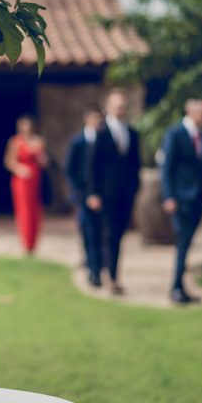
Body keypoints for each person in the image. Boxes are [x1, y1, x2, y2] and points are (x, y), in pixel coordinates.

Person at [86, 90, 141, 294]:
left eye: (123, 107)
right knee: (106, 233)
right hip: (104, 194)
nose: (120, 110)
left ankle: (113, 274)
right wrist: (92, 193)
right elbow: (93, 166)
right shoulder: (100, 133)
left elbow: (135, 163)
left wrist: (135, 189)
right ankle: (100, 272)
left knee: (118, 234)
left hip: (125, 194)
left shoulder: (132, 134)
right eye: (117, 106)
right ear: (109, 107)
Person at [160, 99, 202, 304]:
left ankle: (180, 286)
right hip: (181, 199)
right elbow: (167, 167)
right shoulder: (175, 134)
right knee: (182, 242)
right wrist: (169, 196)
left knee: (187, 243)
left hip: (198, 198)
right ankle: (176, 287)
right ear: (191, 112)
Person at [66, 107, 105, 286]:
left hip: (104, 196)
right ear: (86, 119)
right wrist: (81, 193)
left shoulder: (106, 140)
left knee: (102, 232)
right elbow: (70, 169)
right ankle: (92, 268)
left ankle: (100, 264)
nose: (97, 121)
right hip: (84, 195)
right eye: (94, 118)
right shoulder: (78, 141)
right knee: (88, 231)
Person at [4, 115, 48, 255]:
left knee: (36, 210)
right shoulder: (15, 142)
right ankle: (26, 243)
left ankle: (34, 243)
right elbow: (9, 161)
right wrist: (19, 169)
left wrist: (43, 160)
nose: (26, 129)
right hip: (21, 181)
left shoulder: (38, 141)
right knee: (24, 211)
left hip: (35, 179)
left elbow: (44, 161)